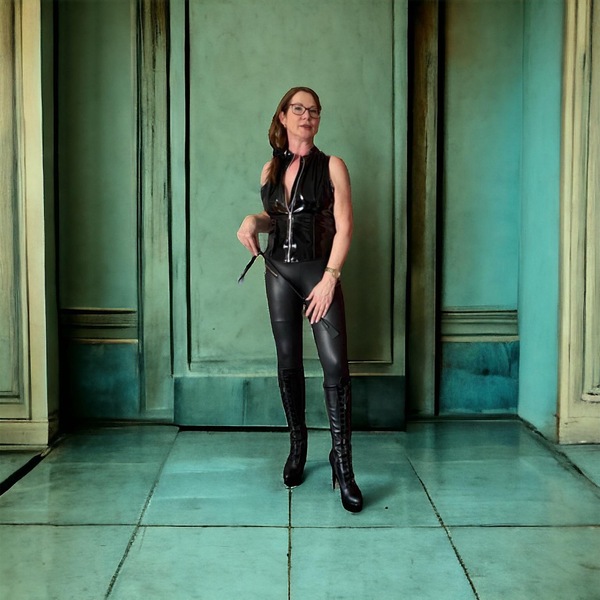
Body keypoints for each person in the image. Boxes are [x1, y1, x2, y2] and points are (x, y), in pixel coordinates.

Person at [237, 86, 362, 513]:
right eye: (298, 109)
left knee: (335, 366)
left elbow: (345, 226)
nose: (307, 115)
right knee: (288, 360)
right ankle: (297, 447)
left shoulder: (332, 166)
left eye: (313, 110)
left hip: (318, 272)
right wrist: (251, 220)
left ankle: (343, 466)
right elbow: (276, 219)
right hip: (278, 273)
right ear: (284, 117)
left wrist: (330, 279)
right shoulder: (270, 168)